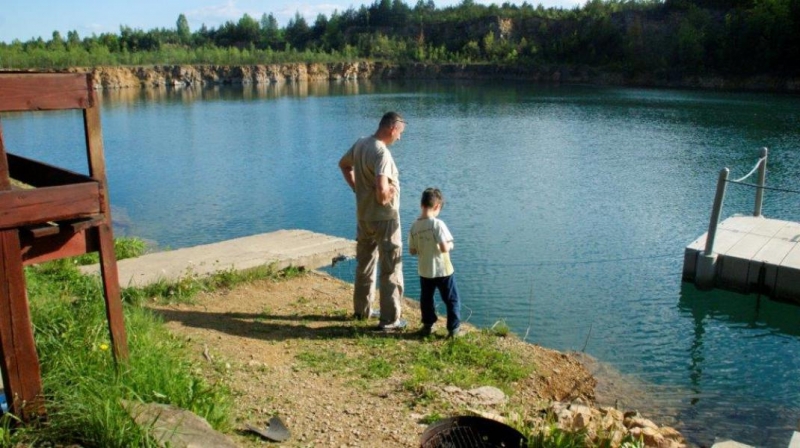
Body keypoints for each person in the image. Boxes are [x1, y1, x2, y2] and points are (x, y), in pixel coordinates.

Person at [338, 112, 407, 330]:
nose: (400, 138)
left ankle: (362, 311)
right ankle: (390, 320)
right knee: (391, 268)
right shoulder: (382, 153)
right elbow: (381, 190)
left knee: (365, 265)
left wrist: (356, 187)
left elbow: (343, 164)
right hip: (384, 220)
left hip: (364, 216)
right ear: (391, 129)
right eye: (400, 133)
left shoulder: (361, 144)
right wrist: (390, 192)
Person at [408, 188, 461, 338]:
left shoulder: (414, 226)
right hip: (443, 270)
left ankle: (427, 326)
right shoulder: (437, 224)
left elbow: (412, 251)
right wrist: (451, 245)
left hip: (425, 270)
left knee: (426, 299)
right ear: (437, 206)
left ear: (421, 204)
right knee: (452, 299)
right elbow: (444, 248)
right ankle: (454, 329)